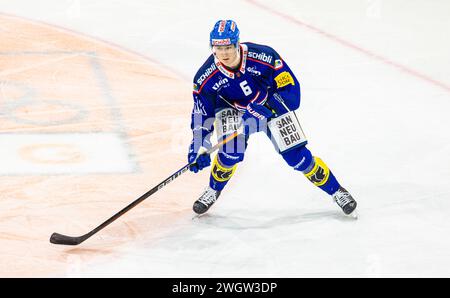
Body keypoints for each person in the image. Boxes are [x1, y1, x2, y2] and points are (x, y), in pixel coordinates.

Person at [188, 20, 357, 216]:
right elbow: (202, 112)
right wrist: (199, 144)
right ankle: (212, 189)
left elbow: (292, 93)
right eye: (218, 48)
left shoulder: (264, 56)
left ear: (237, 44)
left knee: (298, 157)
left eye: (228, 47)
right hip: (231, 108)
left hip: (271, 104)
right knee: (230, 152)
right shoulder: (204, 77)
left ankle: (337, 191)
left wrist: (264, 107)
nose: (224, 53)